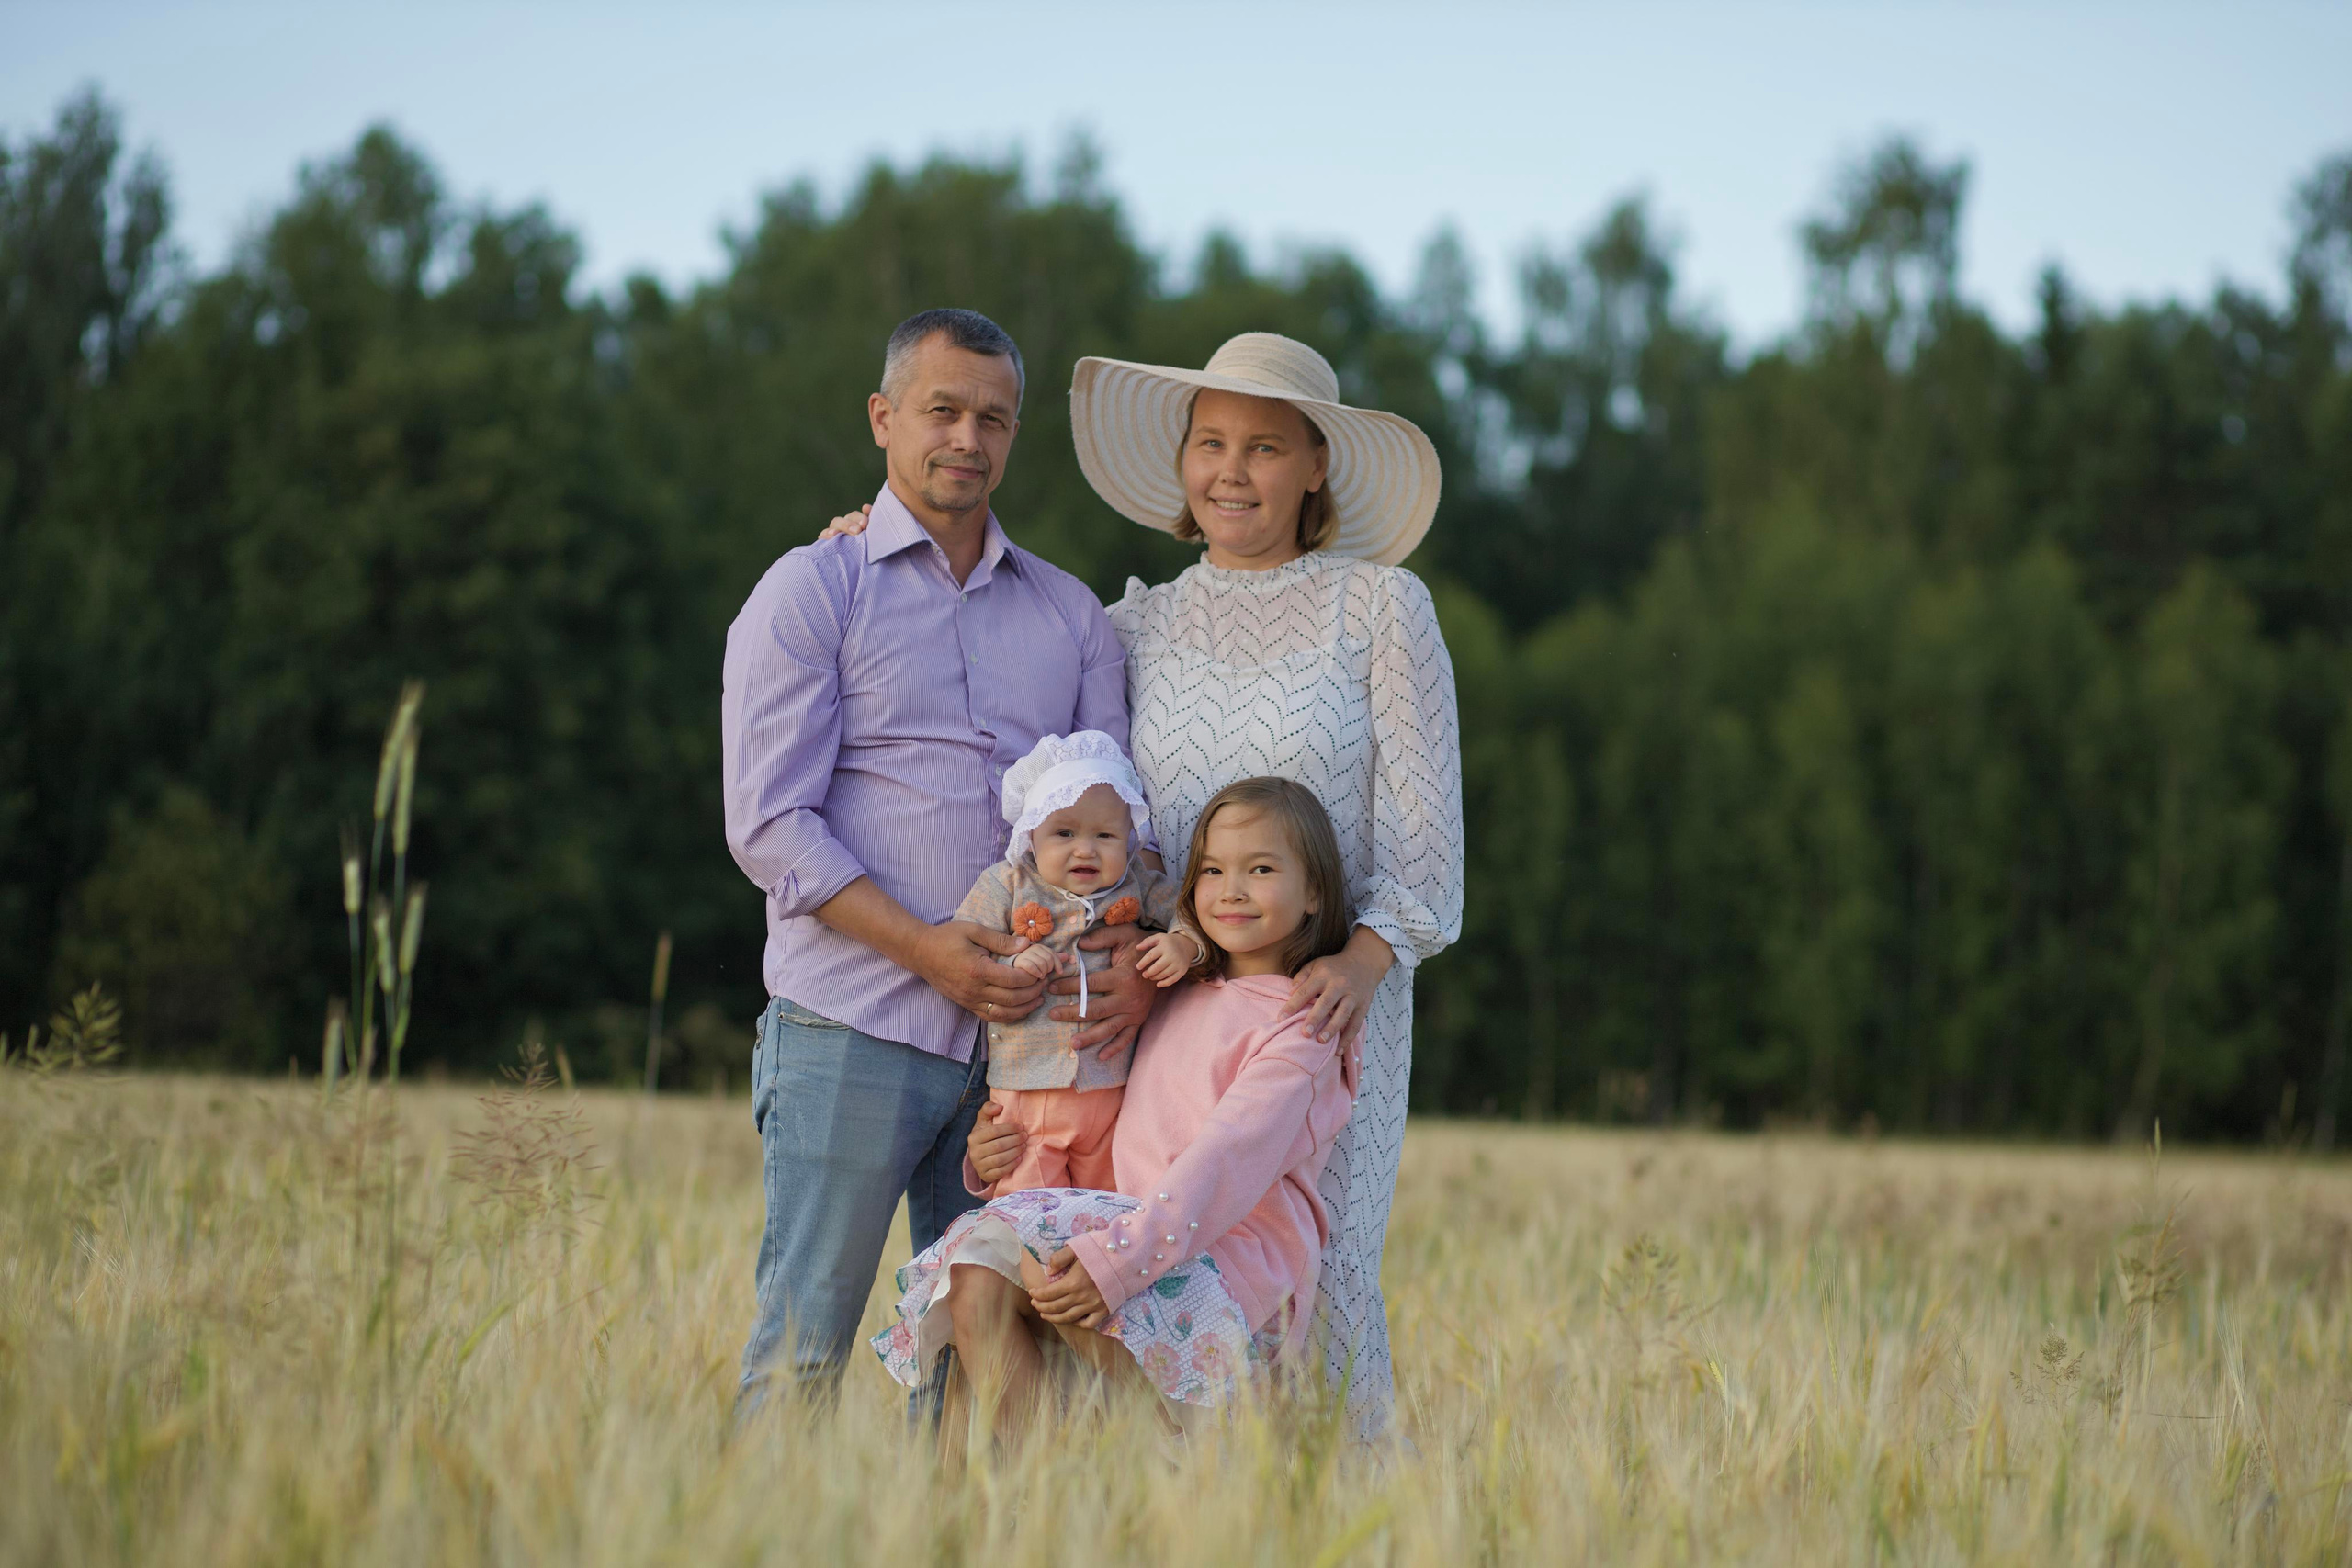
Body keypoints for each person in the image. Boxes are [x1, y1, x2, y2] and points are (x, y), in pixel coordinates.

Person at [832, 332, 1465, 1438]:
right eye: (1209, 443)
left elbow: (1424, 840)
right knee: (1135, 1284)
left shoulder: (1381, 609)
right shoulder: (1133, 622)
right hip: (1154, 1009)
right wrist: (871, 548)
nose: (1231, 471)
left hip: (1324, 1002)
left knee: (1312, 1282)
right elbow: (985, 640)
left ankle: (1329, 1520)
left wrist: (1363, 961)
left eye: (1264, 447)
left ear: (1317, 464)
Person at [721, 308, 1165, 1413]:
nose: (967, 438)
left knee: (982, 1370)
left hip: (1030, 1062)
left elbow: (1129, 826)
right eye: (942, 411)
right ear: (883, 418)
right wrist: (927, 951)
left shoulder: (1072, 618)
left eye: (993, 419)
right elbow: (769, 824)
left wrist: (1125, 958)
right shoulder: (811, 591)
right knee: (803, 1347)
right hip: (853, 1025)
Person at [874, 778, 1360, 1450]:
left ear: (1314, 893)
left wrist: (1118, 1263)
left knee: (1033, 1269)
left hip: (1225, 1277)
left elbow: (1220, 1163)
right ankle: (1013, 1512)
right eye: (1212, 869)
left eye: (1262, 869)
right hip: (1129, 1238)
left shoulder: (1300, 1030)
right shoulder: (1175, 991)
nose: (1232, 889)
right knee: (973, 1282)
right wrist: (995, 1150)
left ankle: (1161, 1465)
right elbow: (1095, 1117)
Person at [954, 729, 1184, 1197]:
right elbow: (964, 947)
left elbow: (1194, 913)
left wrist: (1183, 942)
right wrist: (1013, 953)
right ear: (1031, 834)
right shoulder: (1009, 883)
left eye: (1105, 835)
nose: (1086, 849)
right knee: (1031, 1220)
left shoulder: (1137, 882)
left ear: (1129, 840)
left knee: (1111, 1207)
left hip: (1113, 1089)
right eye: (1064, 833)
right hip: (1028, 1092)